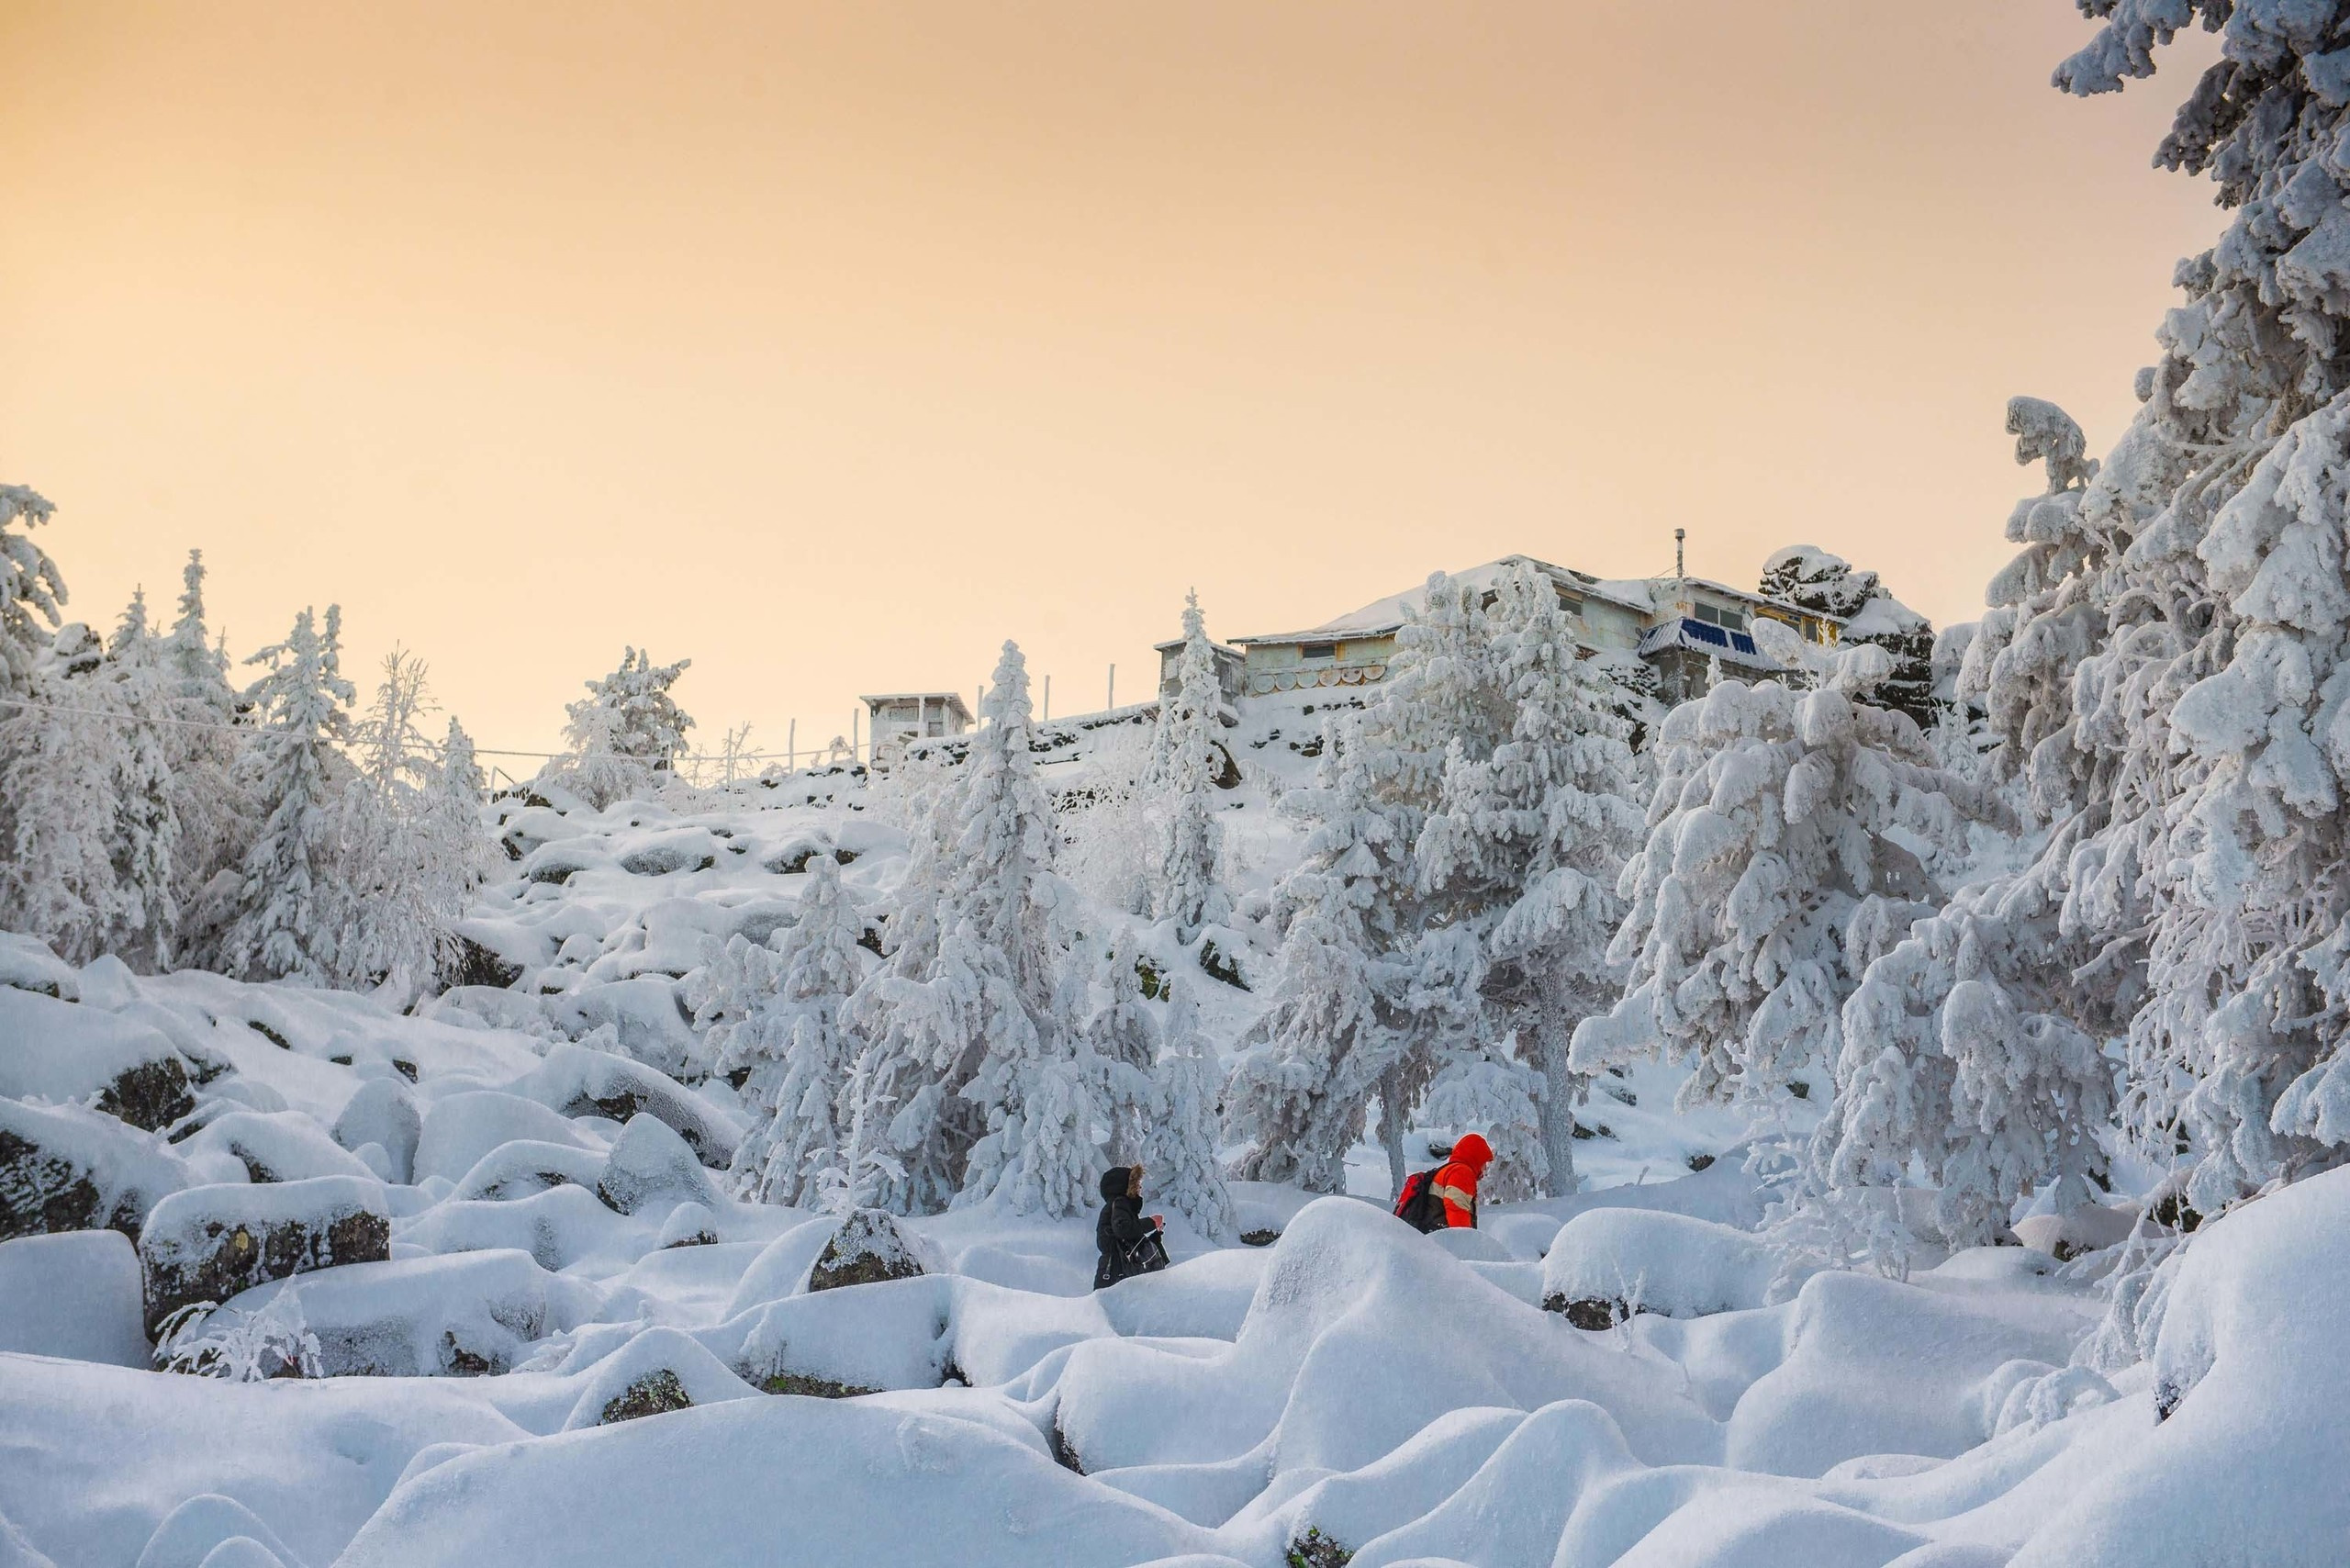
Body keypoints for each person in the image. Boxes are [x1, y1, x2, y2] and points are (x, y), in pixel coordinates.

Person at [1394, 1133, 1494, 1232]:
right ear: (1476, 1157)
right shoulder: (1461, 1173)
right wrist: (1464, 1242)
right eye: (1484, 1162)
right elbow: (1457, 1210)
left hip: (1428, 1234)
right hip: (1440, 1239)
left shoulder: (1450, 1170)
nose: (1485, 1168)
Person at [1094, 1163, 1170, 1290]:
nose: (1139, 1187)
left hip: (1113, 1270)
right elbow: (1124, 1229)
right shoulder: (1119, 1202)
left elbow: (1128, 1241)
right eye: (1135, 1183)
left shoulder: (1117, 1205)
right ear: (1124, 1186)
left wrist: (1154, 1237)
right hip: (1116, 1271)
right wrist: (1151, 1222)